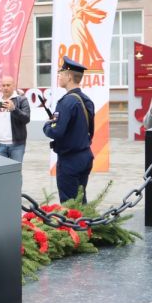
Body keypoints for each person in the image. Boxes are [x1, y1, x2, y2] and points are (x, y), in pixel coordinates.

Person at [44, 56, 95, 203]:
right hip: (85, 156)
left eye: (61, 73)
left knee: (70, 205)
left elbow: (56, 132)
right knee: (80, 200)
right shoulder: (87, 100)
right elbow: (90, 130)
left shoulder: (66, 102)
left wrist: (47, 125)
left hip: (70, 161)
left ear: (69, 77)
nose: (59, 76)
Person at [0, 75, 31, 161]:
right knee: (2, 170)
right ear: (0, 87)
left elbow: (26, 119)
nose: (5, 88)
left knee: (15, 169)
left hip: (17, 146)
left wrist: (14, 109)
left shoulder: (21, 100)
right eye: (3, 85)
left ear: (13, 86)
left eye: (8, 85)